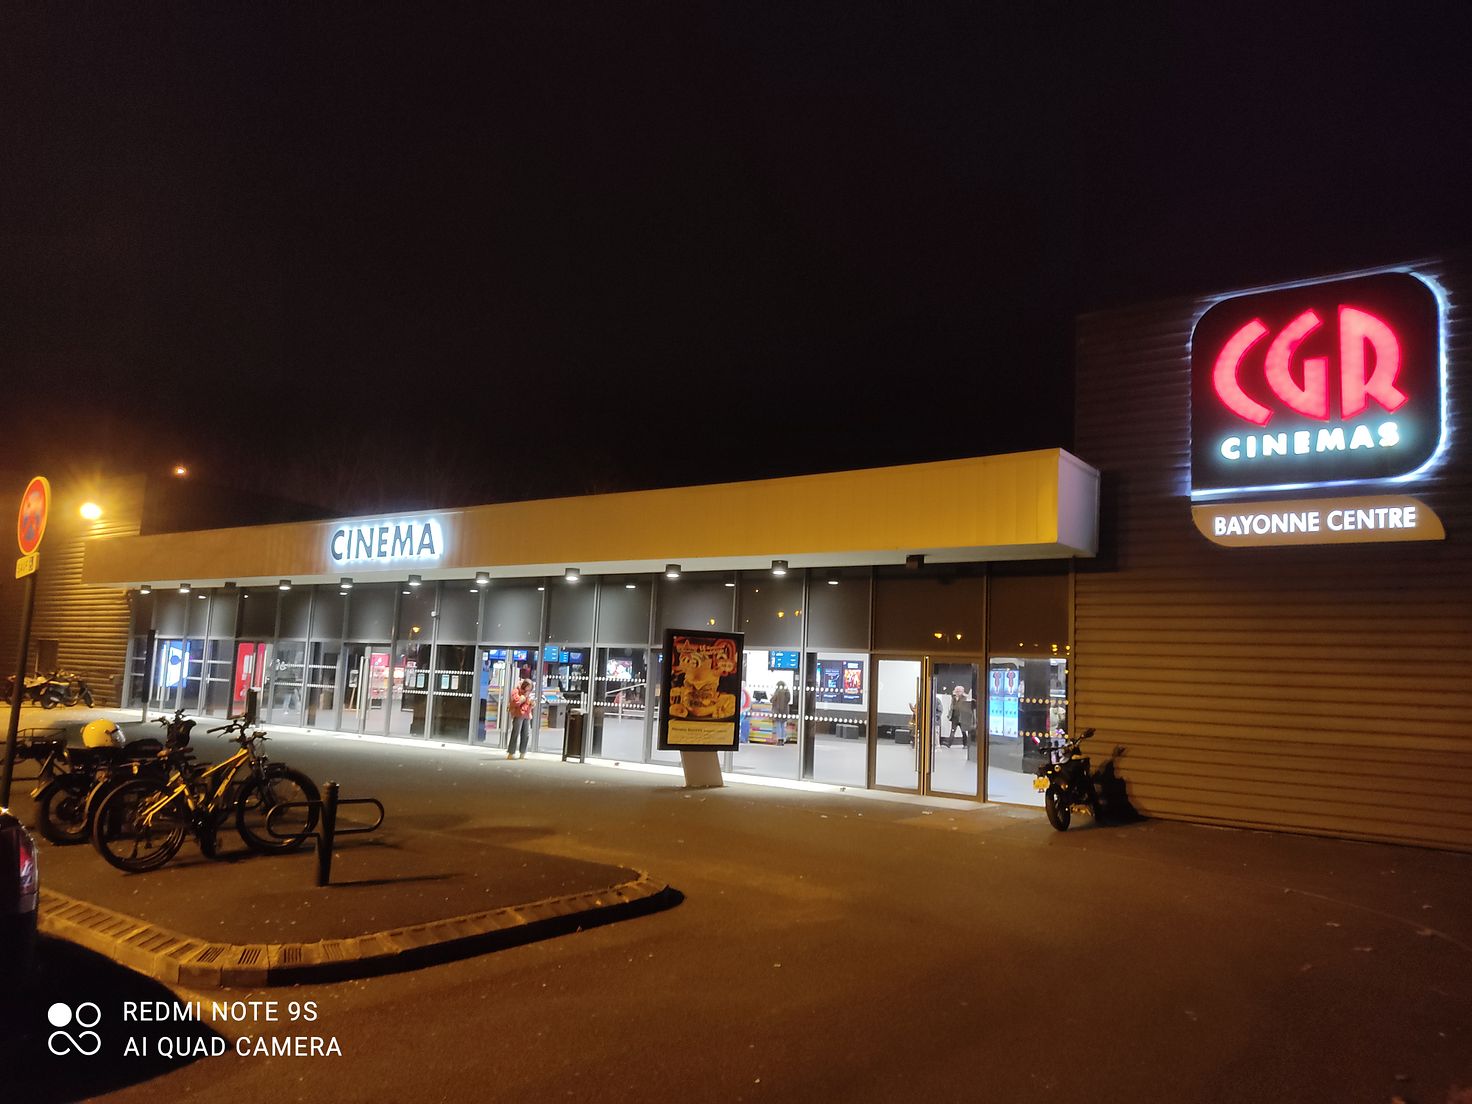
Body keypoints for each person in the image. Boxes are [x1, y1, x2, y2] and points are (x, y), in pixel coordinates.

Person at [507, 678, 536, 759]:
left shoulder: (529, 693)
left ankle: (523, 753)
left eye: (530, 688)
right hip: (518, 714)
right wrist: (523, 698)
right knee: (515, 733)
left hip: (527, 714)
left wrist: (532, 703)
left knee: (526, 734)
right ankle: (511, 753)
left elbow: (530, 704)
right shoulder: (516, 691)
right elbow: (515, 702)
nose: (529, 689)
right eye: (528, 687)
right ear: (524, 685)